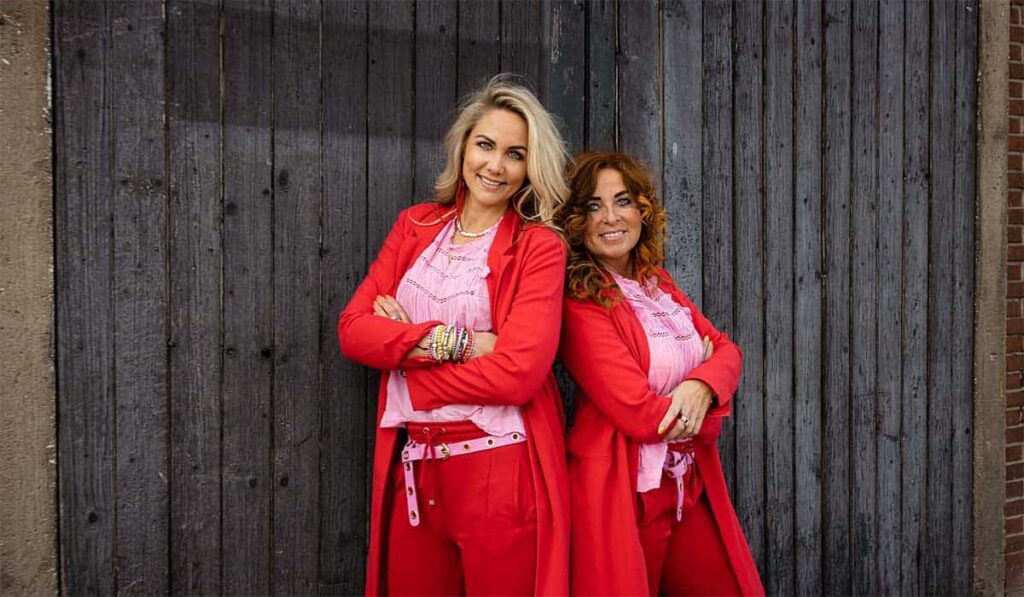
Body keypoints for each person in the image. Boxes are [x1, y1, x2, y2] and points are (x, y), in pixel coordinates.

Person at [337, 76, 570, 596]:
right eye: (485, 145)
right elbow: (354, 332)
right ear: (463, 146)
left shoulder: (539, 247)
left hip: (499, 467)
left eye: (515, 154)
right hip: (417, 466)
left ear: (530, 167)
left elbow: (518, 374)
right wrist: (461, 341)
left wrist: (406, 373)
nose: (495, 165)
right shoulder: (415, 226)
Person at [556, 152, 764, 596]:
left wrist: (699, 384)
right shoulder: (579, 301)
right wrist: (708, 411)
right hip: (625, 495)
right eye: (593, 206)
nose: (610, 217)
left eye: (623, 201)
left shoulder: (658, 284)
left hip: (686, 484)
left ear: (643, 211)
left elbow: (727, 350)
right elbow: (639, 413)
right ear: (576, 221)